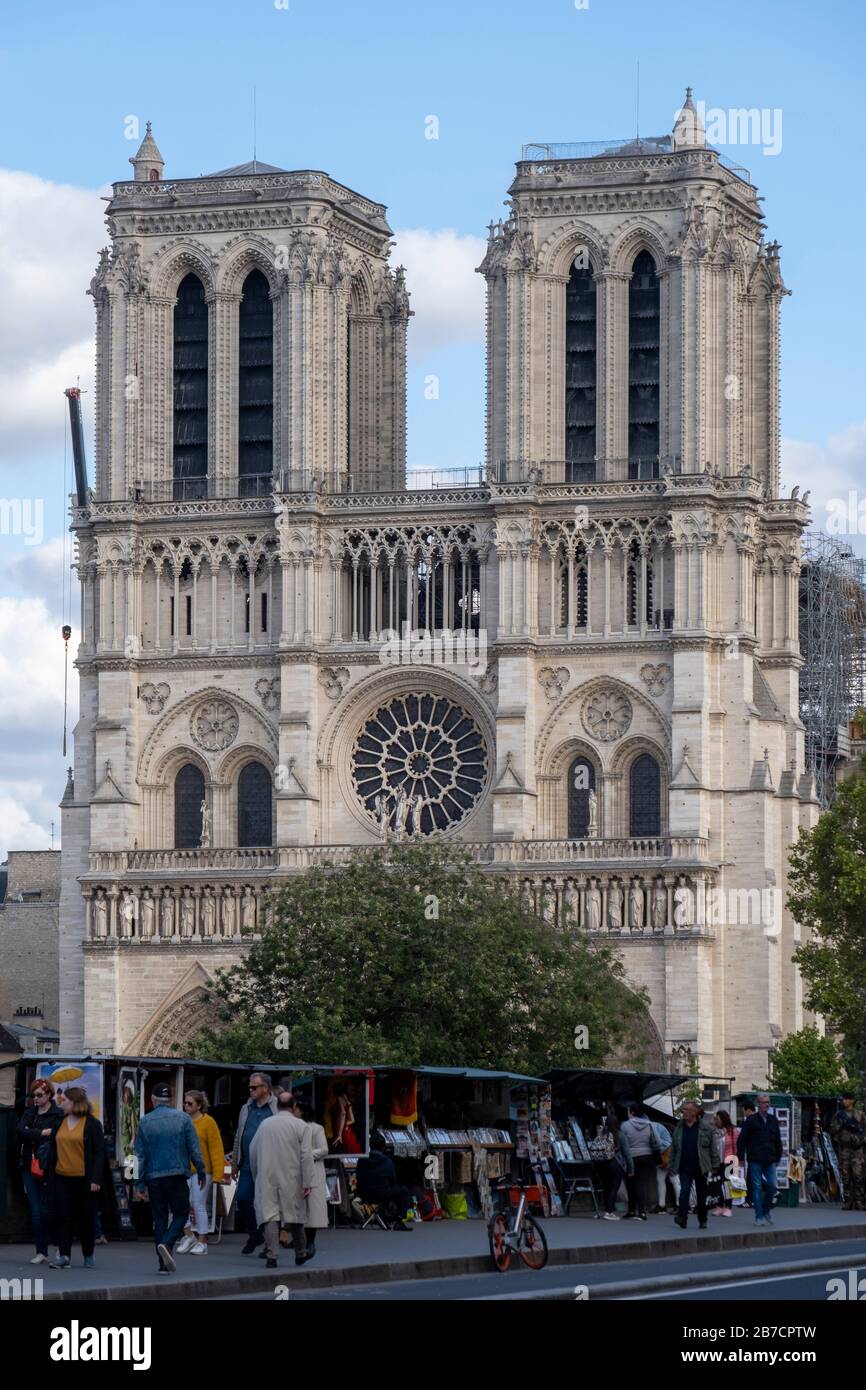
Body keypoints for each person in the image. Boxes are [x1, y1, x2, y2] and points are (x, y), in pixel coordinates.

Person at [134, 1082, 206, 1273]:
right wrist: (201, 1171)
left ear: (153, 1100)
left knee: (159, 1218)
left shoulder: (144, 1121)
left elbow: (138, 1155)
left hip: (154, 1177)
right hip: (177, 1174)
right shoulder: (183, 1118)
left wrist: (137, 1182)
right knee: (181, 1213)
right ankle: (167, 1243)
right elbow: (194, 1149)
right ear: (171, 1100)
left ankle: (162, 1264)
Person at [249, 1090, 314, 1269]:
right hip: (293, 1176)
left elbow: (252, 1151)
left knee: (270, 1214)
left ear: (277, 1106)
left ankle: (272, 1256)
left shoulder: (265, 1125)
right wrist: (308, 1181)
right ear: (294, 1106)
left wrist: (257, 1174)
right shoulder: (302, 1126)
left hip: (267, 1175)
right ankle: (300, 1253)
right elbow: (306, 1156)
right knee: (295, 1215)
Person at [44, 1086, 106, 1269]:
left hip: (84, 1179)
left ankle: (88, 1254)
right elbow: (53, 1150)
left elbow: (99, 1153)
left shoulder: (92, 1124)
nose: (61, 1103)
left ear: (75, 1103)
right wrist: (49, 1175)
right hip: (62, 1177)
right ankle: (64, 1256)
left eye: (65, 1100)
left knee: (86, 1218)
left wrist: (96, 1179)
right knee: (63, 1217)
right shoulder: (59, 1122)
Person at [231, 1072, 279, 1253]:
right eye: (249, 1087)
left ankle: (269, 1245)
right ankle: (255, 1233)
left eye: (254, 1087)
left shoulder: (276, 1107)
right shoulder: (246, 1108)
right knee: (243, 1198)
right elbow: (239, 1135)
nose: (250, 1090)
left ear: (265, 1088)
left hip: (269, 1163)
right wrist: (235, 1162)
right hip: (247, 1164)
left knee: (267, 1204)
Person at [16, 1080, 63, 1264]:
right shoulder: (30, 1113)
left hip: (49, 1166)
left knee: (48, 1210)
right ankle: (41, 1251)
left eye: (39, 1095)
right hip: (29, 1165)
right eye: (33, 1095)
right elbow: (20, 1131)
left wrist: (32, 1132)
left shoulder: (57, 1114)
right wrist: (43, 1133)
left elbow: (58, 1134)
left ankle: (60, 1246)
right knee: (35, 1212)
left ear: (49, 1095)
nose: (35, 1099)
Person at [175, 1091, 225, 1254]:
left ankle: (202, 1241)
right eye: (185, 1103)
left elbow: (216, 1149)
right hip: (185, 1169)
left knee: (198, 1204)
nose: (186, 1106)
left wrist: (218, 1174)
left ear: (199, 1105)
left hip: (203, 1170)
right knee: (180, 1203)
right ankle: (189, 1235)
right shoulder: (182, 1121)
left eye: (190, 1103)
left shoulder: (208, 1122)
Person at [737, 1093, 782, 1225]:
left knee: (772, 1186)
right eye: (763, 1102)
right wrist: (741, 1157)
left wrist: (778, 1156)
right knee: (756, 1188)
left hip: (770, 1158)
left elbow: (777, 1140)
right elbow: (742, 1139)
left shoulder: (773, 1120)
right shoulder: (751, 1120)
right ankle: (759, 1216)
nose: (766, 1104)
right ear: (758, 1104)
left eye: (767, 1102)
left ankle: (766, 1210)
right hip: (755, 1158)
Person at [669, 1101, 715, 1230]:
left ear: (695, 1112)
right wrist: (671, 1166)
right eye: (683, 1110)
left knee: (701, 1196)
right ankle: (682, 1218)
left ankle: (703, 1220)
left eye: (687, 1110)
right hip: (684, 1166)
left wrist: (715, 1165)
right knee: (684, 1193)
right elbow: (674, 1149)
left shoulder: (705, 1127)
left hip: (701, 1167)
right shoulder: (679, 1128)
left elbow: (713, 1148)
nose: (684, 1112)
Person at [292, 1098, 329, 1256]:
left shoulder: (316, 1128)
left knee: (312, 1208)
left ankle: (311, 1241)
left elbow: (324, 1149)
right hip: (296, 1171)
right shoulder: (293, 1127)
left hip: (313, 1170)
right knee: (297, 1206)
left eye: (296, 1109)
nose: (293, 1112)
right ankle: (298, 1239)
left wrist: (306, 1156)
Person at [354, 1133, 412, 1228]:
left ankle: (385, 1215)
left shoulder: (361, 1160)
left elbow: (358, 1177)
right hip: (383, 1193)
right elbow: (393, 1180)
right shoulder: (387, 1161)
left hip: (363, 1194)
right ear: (383, 1147)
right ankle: (398, 1219)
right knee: (403, 1191)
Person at [619, 1103, 661, 1220]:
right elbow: (657, 1141)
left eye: (628, 1112)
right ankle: (642, 1211)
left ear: (632, 1113)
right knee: (641, 1183)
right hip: (647, 1157)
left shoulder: (625, 1126)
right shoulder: (649, 1125)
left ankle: (632, 1210)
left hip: (631, 1157)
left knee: (630, 1183)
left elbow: (622, 1143)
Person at [830, 1092, 866, 1211]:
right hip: (844, 1149)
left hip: (858, 1150)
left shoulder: (859, 1115)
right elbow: (832, 1129)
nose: (844, 1101)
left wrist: (862, 1139)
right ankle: (848, 1201)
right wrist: (840, 1125)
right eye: (843, 1099)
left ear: (852, 1101)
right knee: (845, 1176)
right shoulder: (839, 1115)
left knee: (858, 1175)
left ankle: (859, 1201)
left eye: (846, 1099)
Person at [710, 1110, 740, 1217]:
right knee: (715, 1184)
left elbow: (737, 1146)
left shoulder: (733, 1131)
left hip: (730, 1160)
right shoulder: (714, 1131)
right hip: (717, 1162)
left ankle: (728, 1207)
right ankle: (719, 1206)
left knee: (728, 1184)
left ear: (723, 1119)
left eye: (717, 1119)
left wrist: (738, 1161)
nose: (716, 1121)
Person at [329, 1081, 361, 1153]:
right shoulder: (347, 1100)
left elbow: (343, 1113)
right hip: (347, 1130)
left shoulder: (339, 1098)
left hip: (340, 1131)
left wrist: (339, 1133)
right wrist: (344, 1125)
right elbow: (352, 1120)